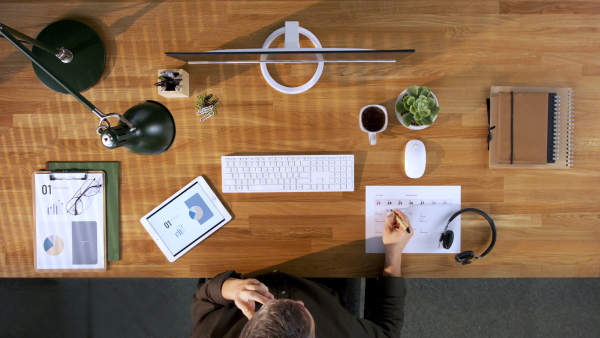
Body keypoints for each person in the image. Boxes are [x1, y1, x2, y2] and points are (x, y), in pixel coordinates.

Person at [190, 209, 414, 337]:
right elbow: (387, 332)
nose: (301, 302)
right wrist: (393, 251)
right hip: (322, 274)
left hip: (245, 258)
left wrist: (228, 288)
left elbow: (202, 298)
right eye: (303, 310)